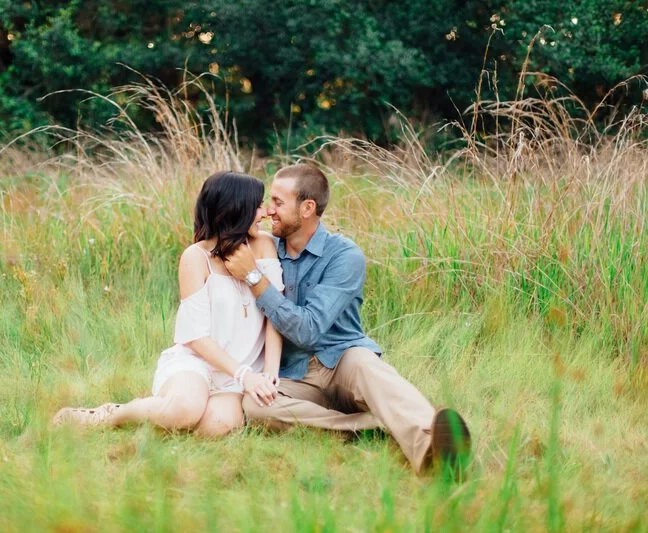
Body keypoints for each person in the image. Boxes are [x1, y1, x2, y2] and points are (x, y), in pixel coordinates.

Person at [224, 164, 471, 473]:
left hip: (341, 360)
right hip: (292, 374)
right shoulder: (265, 248)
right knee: (255, 408)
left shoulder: (344, 255)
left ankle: (431, 444)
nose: (268, 210)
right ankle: (374, 429)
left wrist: (255, 278)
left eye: (278, 201)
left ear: (307, 208)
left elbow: (309, 330)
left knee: (368, 366)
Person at [52, 171, 283, 436]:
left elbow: (273, 313)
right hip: (198, 363)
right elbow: (196, 336)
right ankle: (109, 415)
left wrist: (269, 373)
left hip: (242, 373)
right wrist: (245, 375)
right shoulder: (195, 257)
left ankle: (158, 422)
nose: (264, 212)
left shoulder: (264, 245)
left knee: (215, 428)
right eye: (257, 206)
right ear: (236, 209)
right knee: (184, 410)